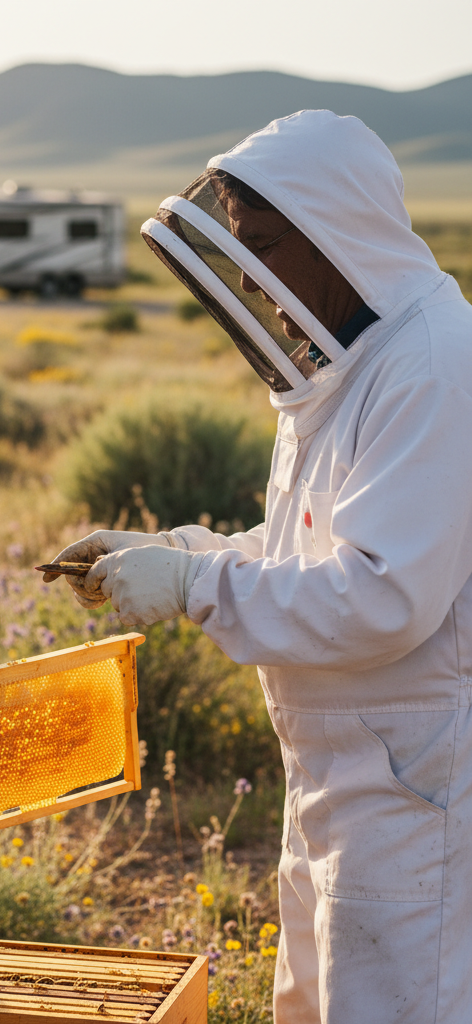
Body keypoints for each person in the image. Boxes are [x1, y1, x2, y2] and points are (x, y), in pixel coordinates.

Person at [50, 109, 472, 1023]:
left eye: (269, 248)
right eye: (241, 249)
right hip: (346, 767)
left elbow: (385, 596)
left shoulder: (431, 365)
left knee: (396, 1005)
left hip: (414, 781)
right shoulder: (349, 368)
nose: (253, 281)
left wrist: (197, 589)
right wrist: (177, 552)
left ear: (338, 235)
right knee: (317, 1001)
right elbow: (306, 551)